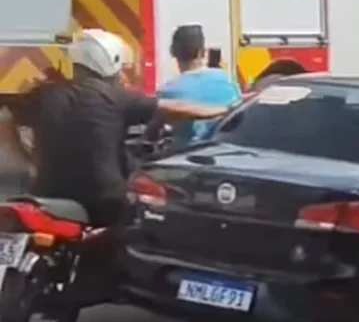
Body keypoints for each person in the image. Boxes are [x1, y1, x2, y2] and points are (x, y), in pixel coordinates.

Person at [0, 29, 228, 227]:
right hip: (103, 200)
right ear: (111, 62)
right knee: (144, 225)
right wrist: (229, 109)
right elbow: (176, 109)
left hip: (45, 194)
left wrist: (25, 160)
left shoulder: (45, 94)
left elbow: (5, 118)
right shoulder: (116, 97)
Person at [156, 25, 240, 148]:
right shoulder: (227, 80)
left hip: (188, 158)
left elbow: (156, 126)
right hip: (227, 153)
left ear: (172, 52)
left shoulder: (167, 91)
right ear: (203, 52)